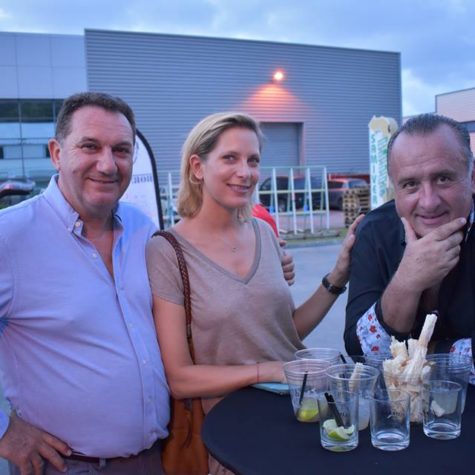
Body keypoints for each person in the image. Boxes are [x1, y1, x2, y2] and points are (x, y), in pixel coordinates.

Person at [146, 111, 362, 474]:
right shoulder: (167, 251)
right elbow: (180, 379)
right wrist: (269, 370)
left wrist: (337, 276)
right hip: (233, 434)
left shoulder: (263, 233)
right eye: (230, 158)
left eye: (253, 160)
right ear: (197, 167)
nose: (245, 172)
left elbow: (284, 331)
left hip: (300, 415)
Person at [0, 92, 170, 475]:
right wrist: (5, 433)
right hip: (66, 466)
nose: (107, 165)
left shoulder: (142, 229)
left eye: (121, 150)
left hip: (151, 459)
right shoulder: (10, 237)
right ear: (57, 153)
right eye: (90, 146)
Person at [345, 114, 475, 374]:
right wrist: (407, 281)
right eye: (411, 184)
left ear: (471, 178)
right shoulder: (374, 232)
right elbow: (363, 353)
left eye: (443, 178)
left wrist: (424, 354)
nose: (428, 202)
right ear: (395, 188)